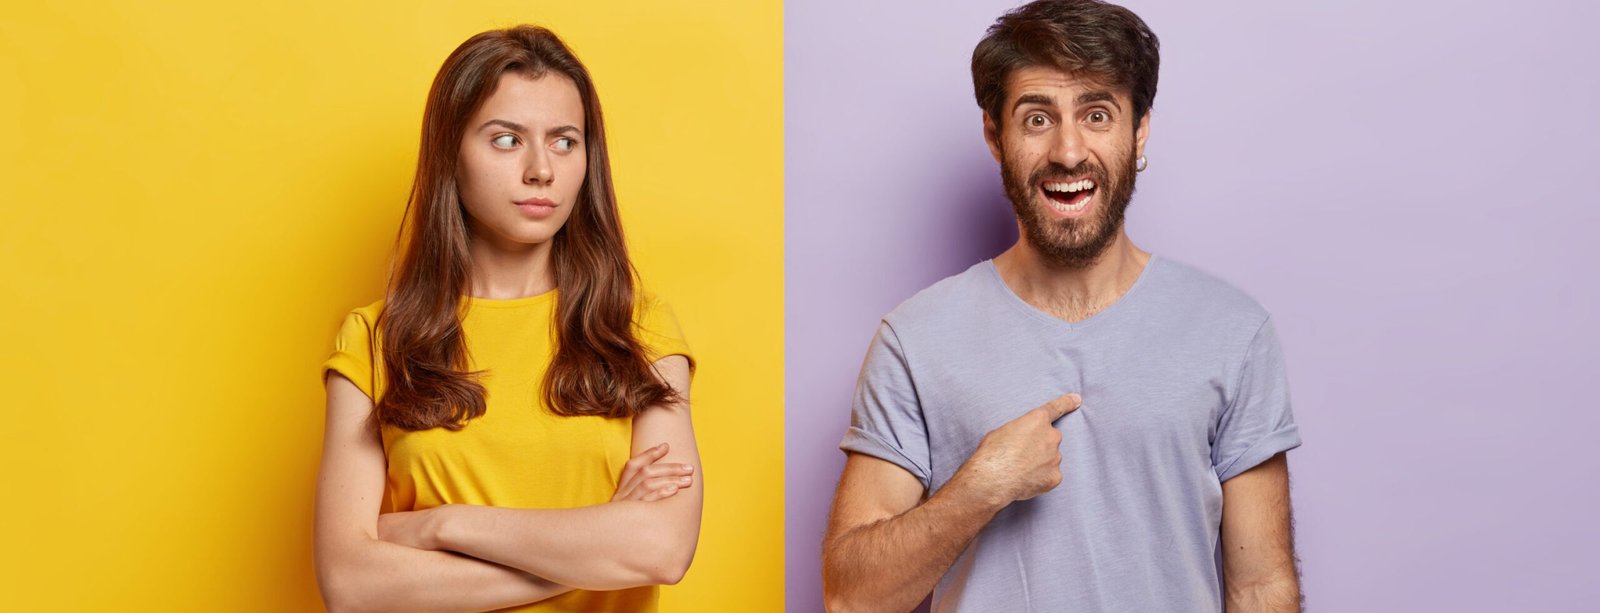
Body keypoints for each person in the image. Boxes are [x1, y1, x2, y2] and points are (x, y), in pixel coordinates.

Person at [821, 1, 1302, 611]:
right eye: (1037, 119)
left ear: (1139, 131)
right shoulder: (915, 340)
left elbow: (1260, 586)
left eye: (1097, 115)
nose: (1068, 152)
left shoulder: (1232, 332)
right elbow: (852, 599)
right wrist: (979, 488)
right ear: (995, 137)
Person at [313, 25, 701, 613]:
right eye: (506, 139)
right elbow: (351, 585)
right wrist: (597, 548)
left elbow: (663, 550)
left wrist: (442, 525)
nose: (541, 169)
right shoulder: (374, 340)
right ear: (450, 153)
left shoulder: (640, 330)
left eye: (565, 141)